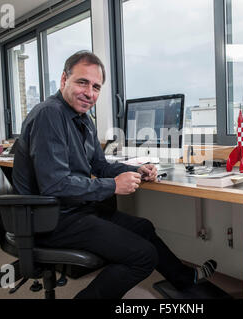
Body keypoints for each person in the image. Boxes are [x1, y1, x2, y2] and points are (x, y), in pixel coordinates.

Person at [12, 50, 217, 299]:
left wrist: (135, 170)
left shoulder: (83, 119)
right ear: (64, 80)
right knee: (143, 256)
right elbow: (55, 185)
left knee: (143, 227)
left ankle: (185, 279)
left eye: (96, 87)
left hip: (74, 210)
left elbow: (100, 166)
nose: (90, 93)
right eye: (82, 82)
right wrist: (112, 186)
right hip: (52, 218)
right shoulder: (49, 114)